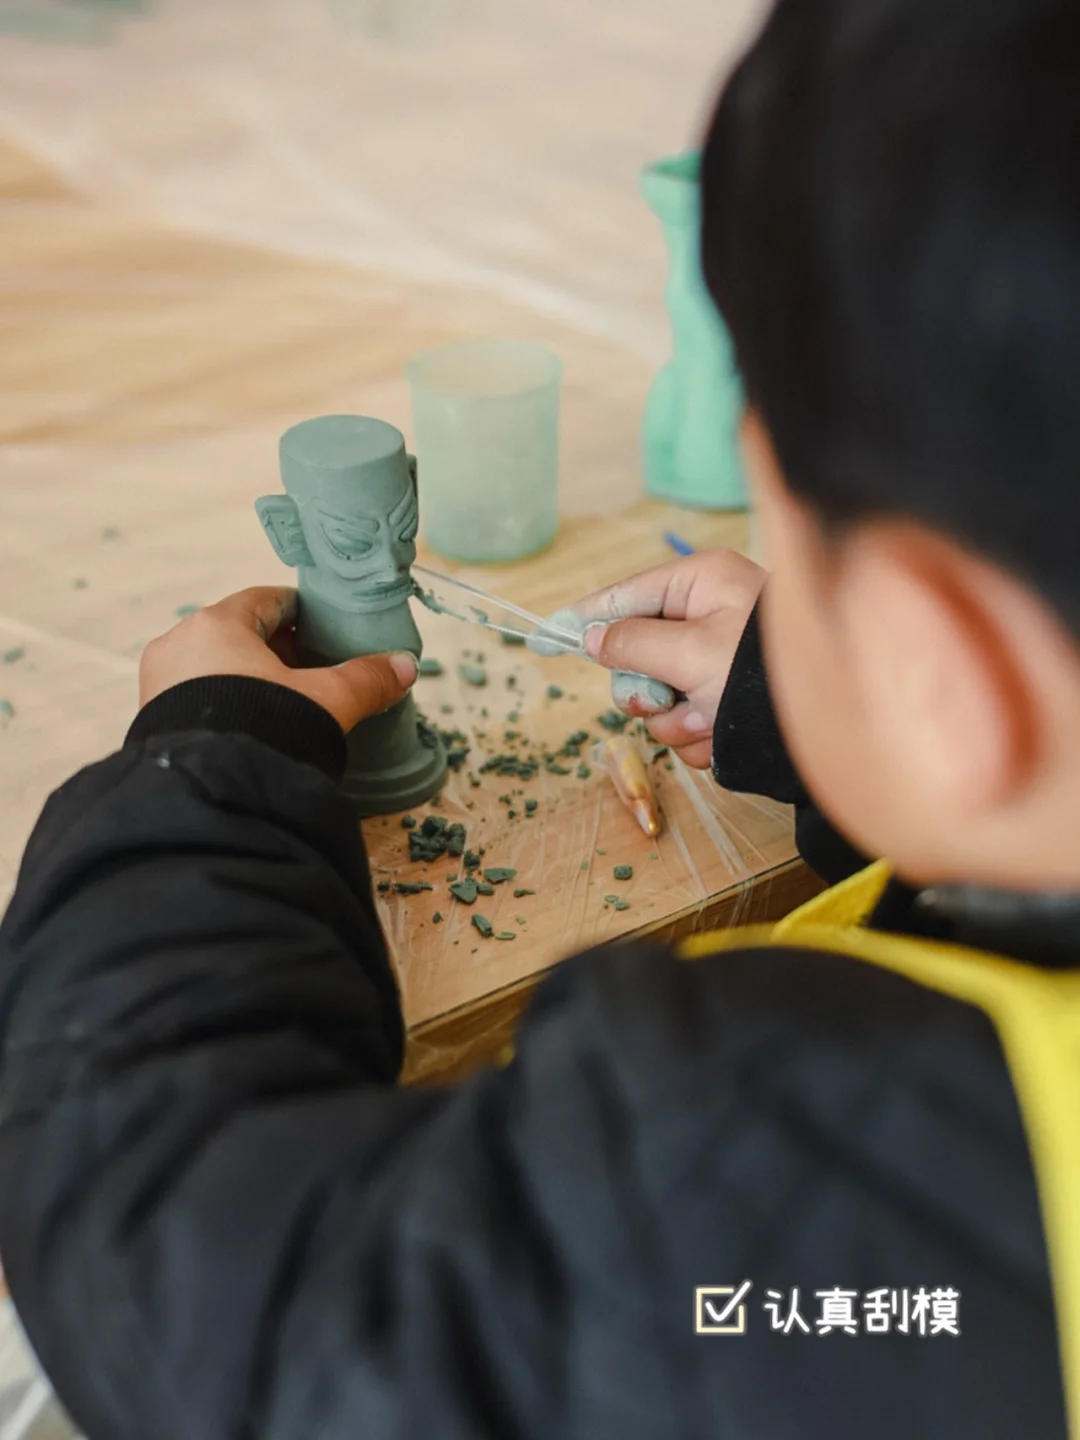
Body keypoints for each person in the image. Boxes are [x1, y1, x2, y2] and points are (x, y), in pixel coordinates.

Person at [1, 0, 1078, 1434]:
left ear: (949, 668)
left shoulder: (750, 1190)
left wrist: (202, 773)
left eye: (801, 539)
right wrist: (827, 702)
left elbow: (205, 1283)